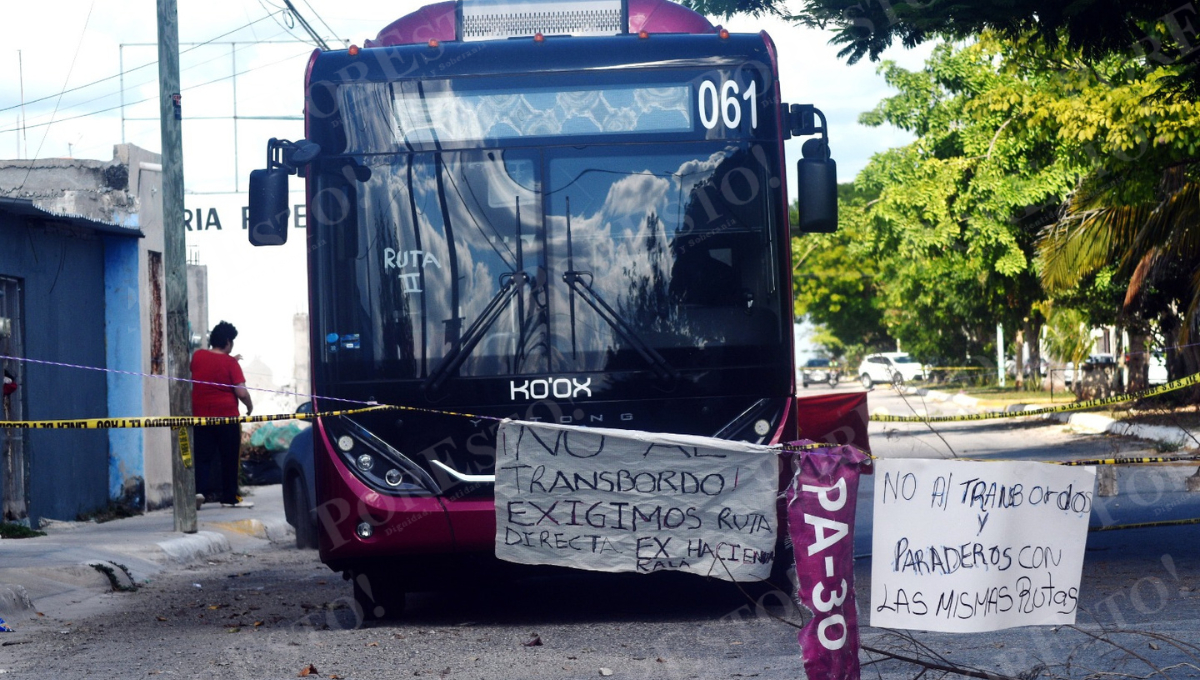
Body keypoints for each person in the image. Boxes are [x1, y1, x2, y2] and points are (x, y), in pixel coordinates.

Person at [191, 321, 254, 508]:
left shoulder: (198, 356)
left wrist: (228, 361)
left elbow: (207, 370)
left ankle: (198, 492)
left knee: (202, 457)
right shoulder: (231, 363)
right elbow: (241, 392)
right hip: (226, 417)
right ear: (228, 341)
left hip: (201, 416)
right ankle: (229, 497)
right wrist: (249, 406)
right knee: (229, 457)